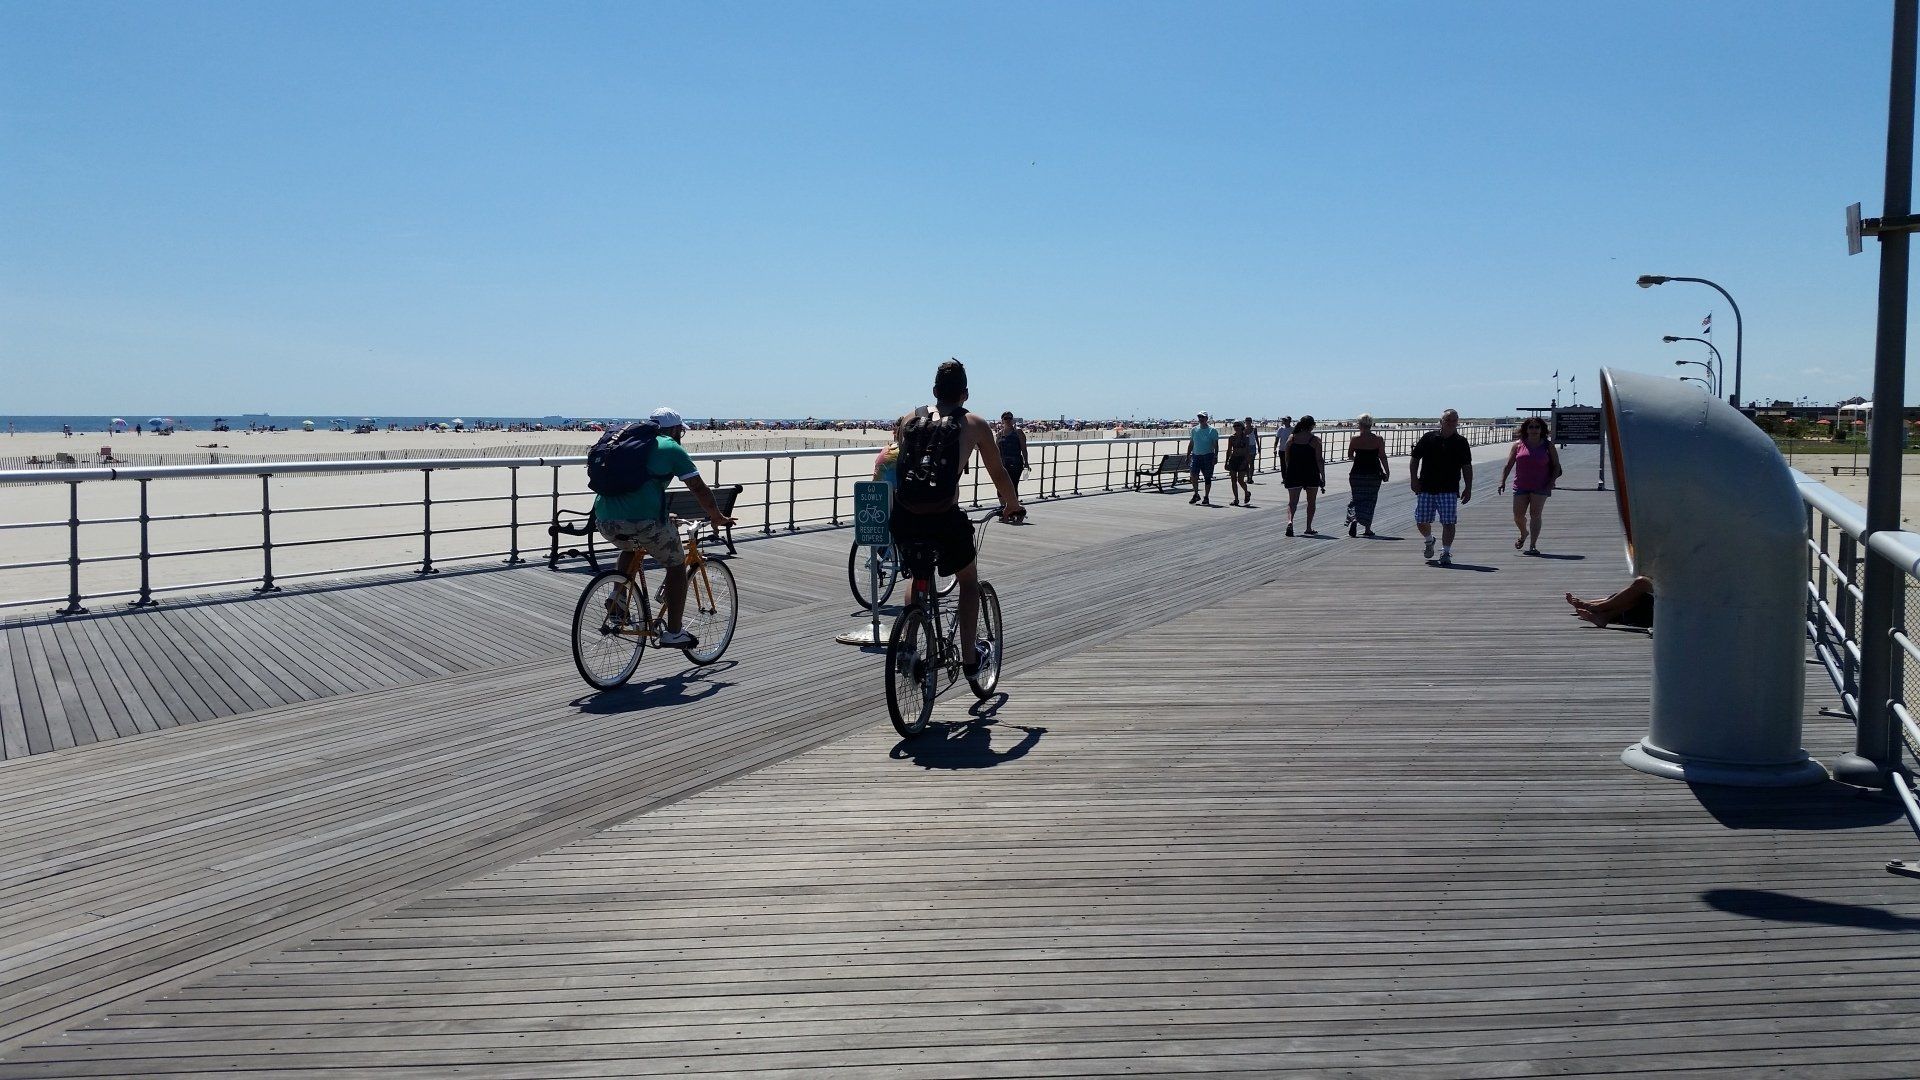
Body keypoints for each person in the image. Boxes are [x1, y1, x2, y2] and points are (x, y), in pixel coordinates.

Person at [891, 360, 1024, 692]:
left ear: (935, 392)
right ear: (965, 393)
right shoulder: (975, 424)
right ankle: (969, 658)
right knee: (968, 581)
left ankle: (908, 645)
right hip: (944, 519)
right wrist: (1012, 504)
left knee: (918, 576)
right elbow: (998, 473)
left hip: (904, 517)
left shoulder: (910, 419)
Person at [592, 407, 737, 649]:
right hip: (643, 521)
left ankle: (618, 597)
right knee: (677, 564)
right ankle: (673, 632)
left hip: (605, 519)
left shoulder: (629, 442)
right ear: (674, 429)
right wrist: (717, 516)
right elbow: (698, 488)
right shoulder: (670, 447)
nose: (681, 435)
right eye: (681, 431)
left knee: (630, 546)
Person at [1409, 408, 1473, 566]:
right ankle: (1429, 540)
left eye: (1454, 420)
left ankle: (1445, 552)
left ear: (1458, 422)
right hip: (1426, 486)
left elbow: (1467, 466)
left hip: (1449, 488)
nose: (1451, 423)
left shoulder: (1461, 442)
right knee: (1421, 520)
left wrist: (1468, 487)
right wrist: (1413, 480)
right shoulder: (1429, 438)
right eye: (1447, 420)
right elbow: (1415, 458)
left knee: (1448, 522)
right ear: (1441, 421)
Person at [1499, 416, 1560, 555]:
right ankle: (1524, 533)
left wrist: (1551, 482)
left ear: (1542, 429)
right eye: (1531, 427)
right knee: (1518, 516)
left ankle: (1533, 545)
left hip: (1541, 485)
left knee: (1535, 514)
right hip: (1521, 485)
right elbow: (1508, 465)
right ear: (1526, 429)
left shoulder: (1548, 445)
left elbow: (1556, 466)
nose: (1534, 430)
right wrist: (1502, 481)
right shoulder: (1518, 445)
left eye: (1537, 427)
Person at [1345, 412, 1389, 538]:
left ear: (1360, 425)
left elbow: (1350, 455)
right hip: (1373, 473)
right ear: (1371, 424)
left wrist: (1358, 459)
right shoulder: (1378, 439)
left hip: (1357, 473)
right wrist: (1387, 471)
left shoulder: (1355, 439)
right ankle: (1367, 528)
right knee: (1370, 499)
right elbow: (1382, 456)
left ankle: (1354, 520)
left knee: (1356, 498)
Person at [1281, 415, 1326, 535]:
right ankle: (1308, 528)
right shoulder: (1315, 440)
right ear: (1312, 426)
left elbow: (1286, 457)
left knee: (1292, 502)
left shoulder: (1292, 438)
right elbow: (1319, 460)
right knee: (1311, 502)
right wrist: (1323, 476)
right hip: (1311, 473)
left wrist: (1289, 470)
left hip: (1294, 472)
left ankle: (1290, 522)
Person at [1567, 578, 1654, 629]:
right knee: (1639, 589)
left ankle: (1598, 609)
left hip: (1649, 614)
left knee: (1641, 585)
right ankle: (1596, 608)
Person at [1187, 412, 1220, 506]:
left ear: (1206, 418)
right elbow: (1191, 443)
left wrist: (1215, 456)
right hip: (1196, 455)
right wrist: (1188, 455)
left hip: (1208, 455)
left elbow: (1215, 445)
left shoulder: (1212, 430)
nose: (1200, 418)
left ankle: (1206, 496)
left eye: (1202, 417)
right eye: (1199, 417)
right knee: (1193, 475)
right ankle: (1196, 494)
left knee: (1207, 477)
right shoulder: (1194, 429)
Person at [996, 411, 1028, 492]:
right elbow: (996, 449)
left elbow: (1024, 448)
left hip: (1016, 464)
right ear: (1002, 420)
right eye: (1005, 418)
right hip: (1003, 464)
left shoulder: (1018, 432)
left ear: (1012, 419)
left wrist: (1026, 462)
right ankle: (1003, 505)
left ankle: (1013, 504)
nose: (1008, 420)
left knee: (1013, 486)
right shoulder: (1000, 433)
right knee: (1000, 487)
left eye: (1010, 418)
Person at [1226, 421, 1254, 506]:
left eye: (1238, 426)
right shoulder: (1231, 438)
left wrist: (1247, 462)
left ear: (1242, 427)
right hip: (1234, 459)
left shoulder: (1246, 438)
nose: (1236, 427)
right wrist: (1226, 461)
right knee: (1233, 480)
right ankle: (1236, 499)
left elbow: (1247, 451)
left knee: (1240, 480)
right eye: (1235, 426)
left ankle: (1246, 492)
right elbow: (1229, 450)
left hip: (1242, 459)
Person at [1243, 417, 1262, 481]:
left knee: (1252, 463)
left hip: (1253, 446)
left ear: (1251, 421)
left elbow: (1256, 438)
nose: (1248, 422)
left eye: (1249, 421)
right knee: (1246, 463)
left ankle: (1250, 477)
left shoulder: (1254, 429)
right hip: (1246, 447)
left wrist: (1259, 447)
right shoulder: (1244, 429)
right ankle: (1248, 477)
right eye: (1246, 421)